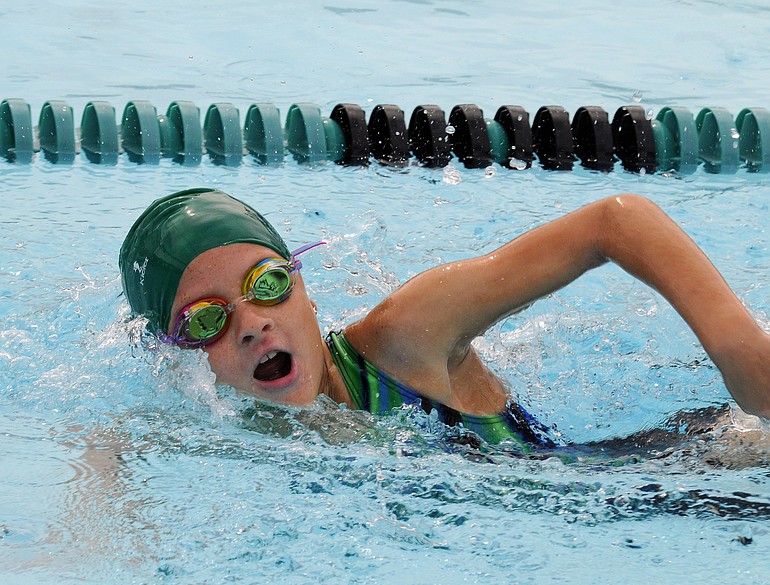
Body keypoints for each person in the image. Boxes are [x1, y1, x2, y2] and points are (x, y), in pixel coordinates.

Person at [119, 188, 770, 451]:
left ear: (305, 289)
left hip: (697, 468)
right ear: (175, 354)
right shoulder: (228, 431)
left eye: (267, 283)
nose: (253, 324)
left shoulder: (401, 339)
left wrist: (740, 352)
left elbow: (614, 222)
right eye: (206, 321)